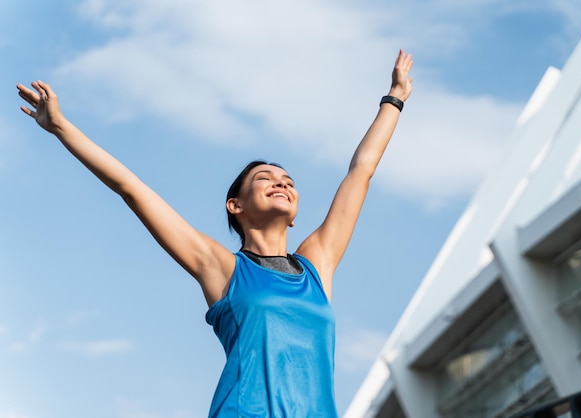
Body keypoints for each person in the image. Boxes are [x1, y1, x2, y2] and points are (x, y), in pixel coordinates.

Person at [17, 49, 413, 417]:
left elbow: (361, 171)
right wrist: (61, 128)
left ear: (294, 216)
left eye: (289, 181)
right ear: (235, 205)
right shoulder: (221, 267)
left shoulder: (317, 264)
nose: (281, 183)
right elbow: (131, 189)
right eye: (265, 178)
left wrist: (393, 98)